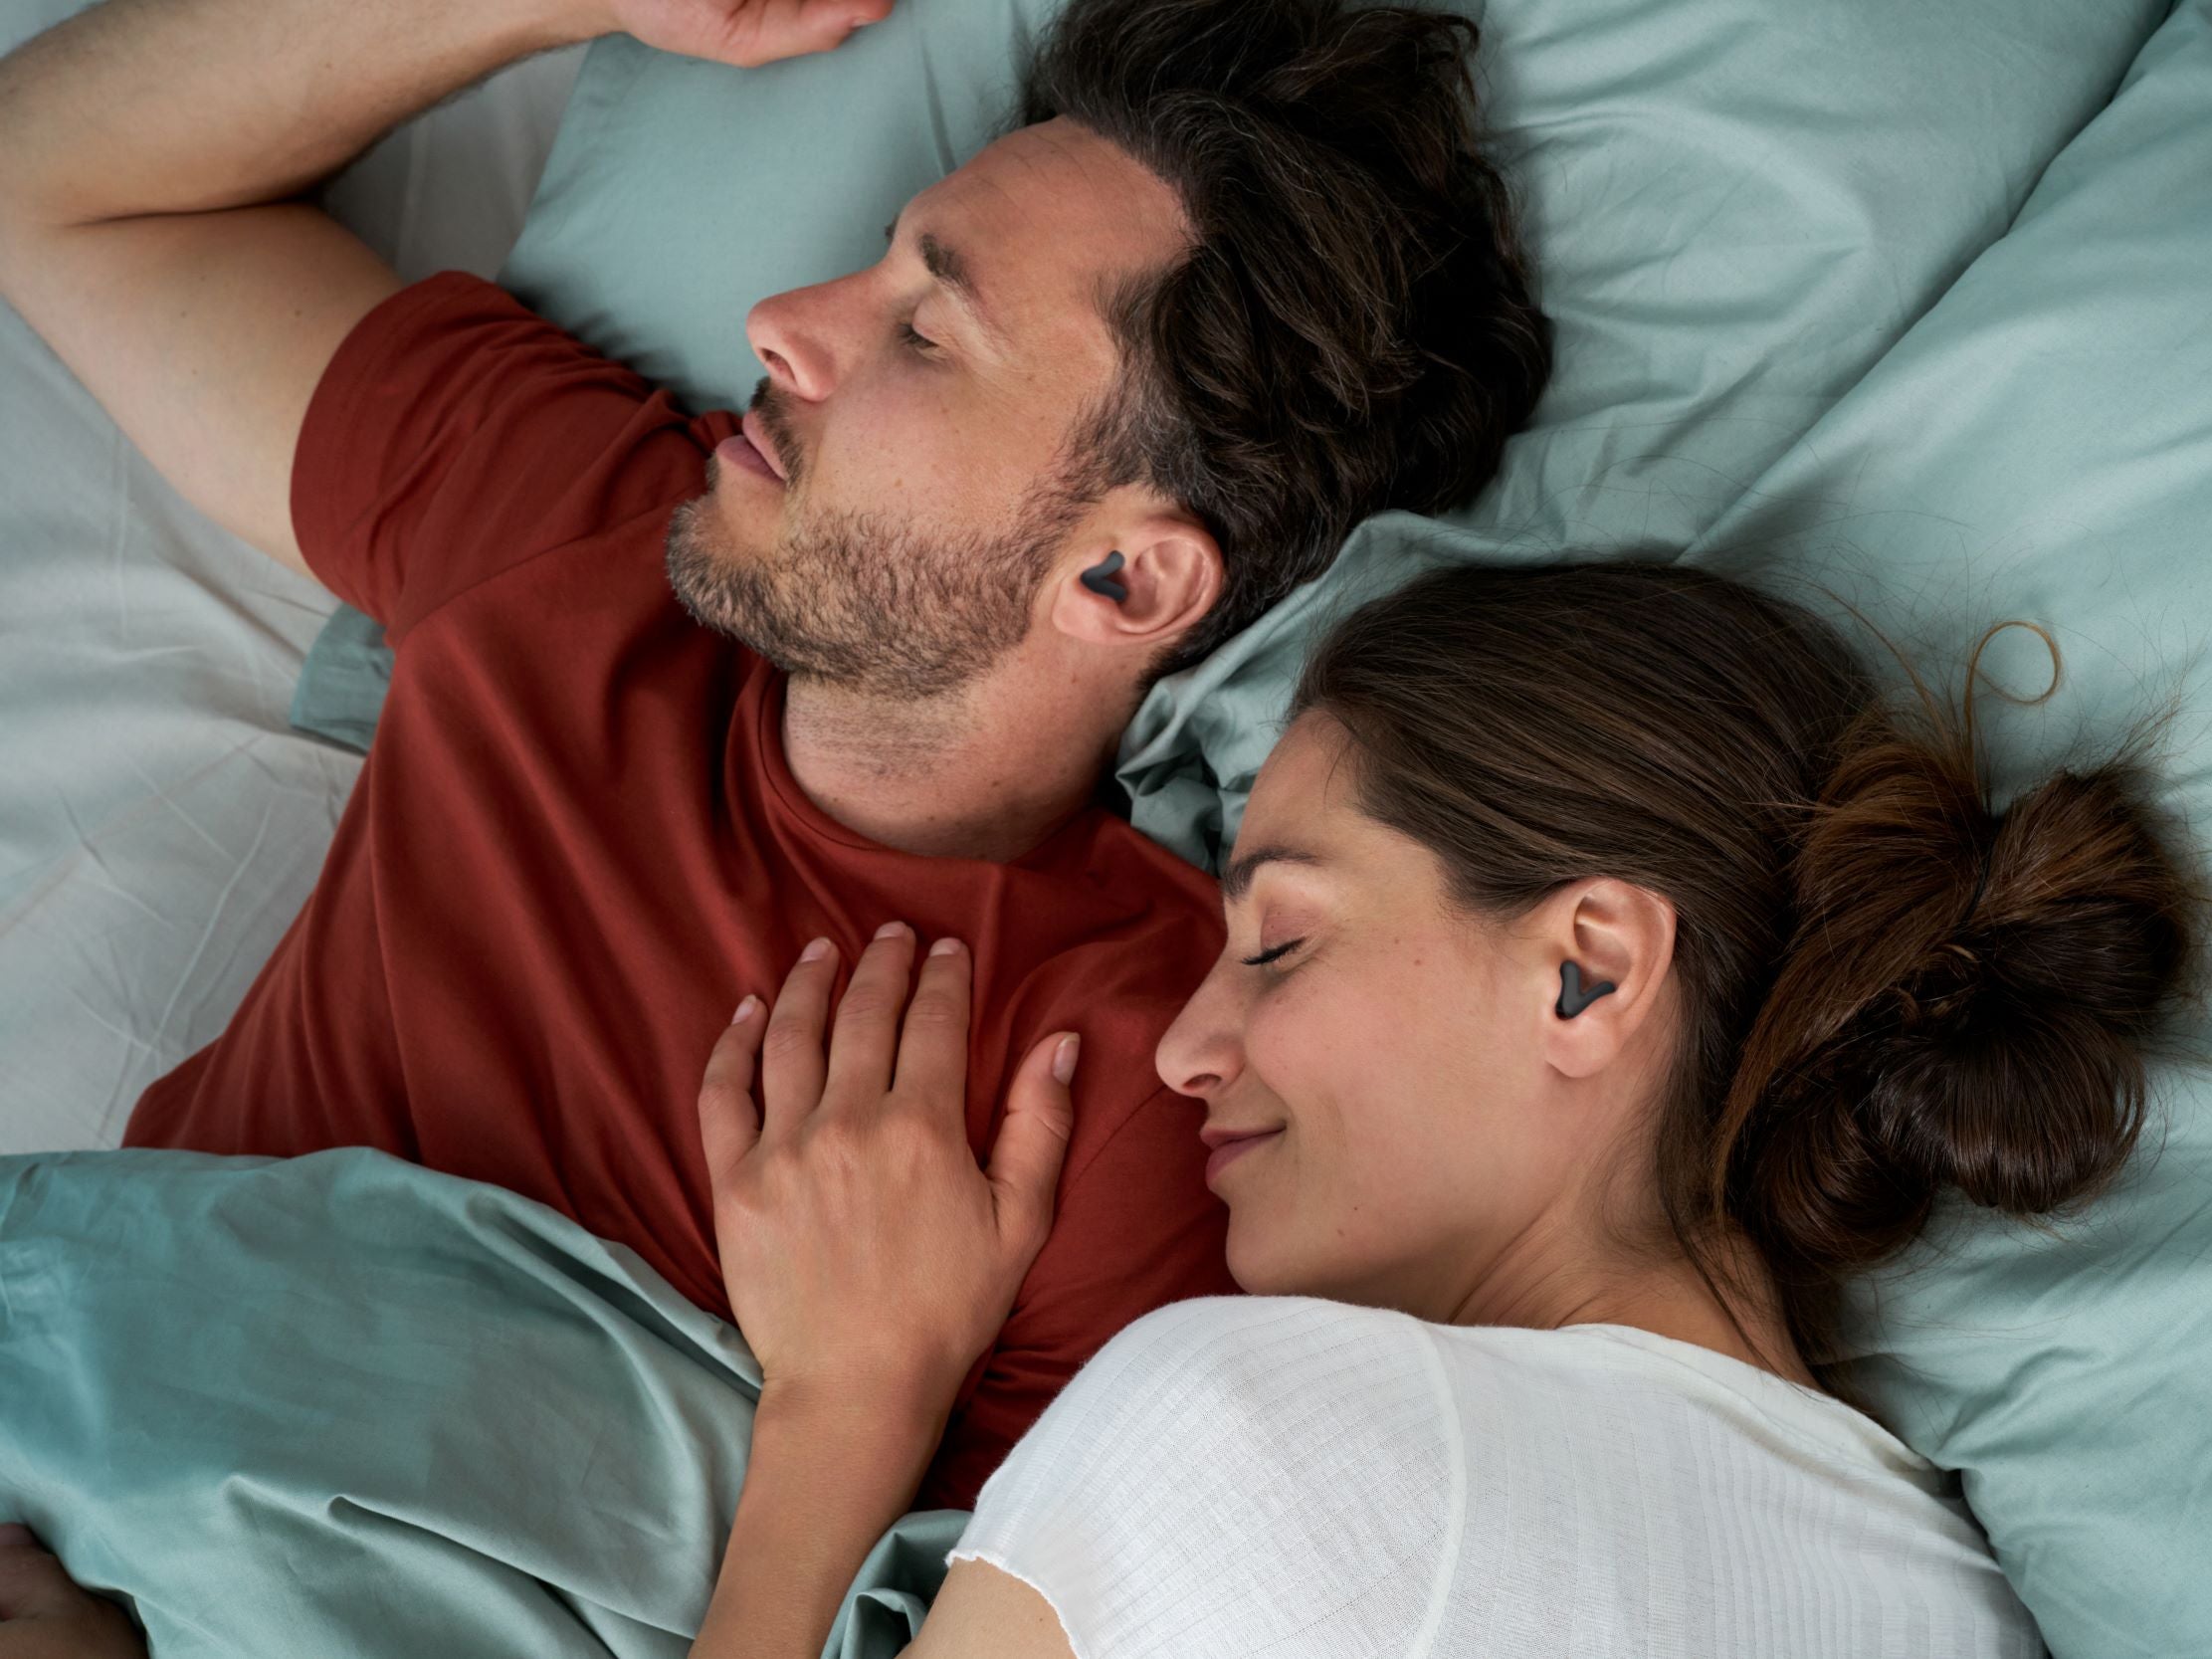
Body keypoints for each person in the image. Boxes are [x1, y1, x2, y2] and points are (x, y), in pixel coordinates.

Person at [0, 562, 2209, 1652]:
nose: (1182, 1044)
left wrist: (842, 1414)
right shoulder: (1936, 1584)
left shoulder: (1258, 1431)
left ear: (1586, 964)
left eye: (1281, 936)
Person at [0, 0, 1550, 1507]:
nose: (782, 323)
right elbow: (53, 166)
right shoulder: (580, 531)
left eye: (925, 331)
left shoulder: (1136, 1094)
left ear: (1122, 580)